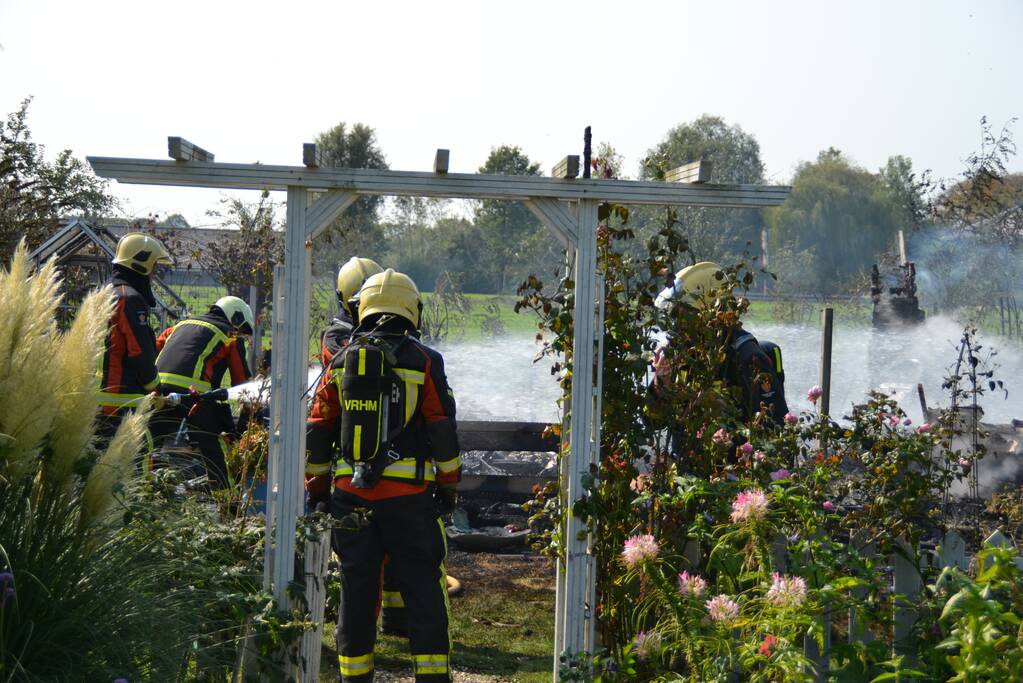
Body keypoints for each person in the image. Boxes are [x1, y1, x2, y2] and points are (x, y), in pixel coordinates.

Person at [306, 269, 460, 683]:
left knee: (357, 594)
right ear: (411, 308)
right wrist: (448, 487)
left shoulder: (340, 360)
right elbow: (441, 428)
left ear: (364, 308)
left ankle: (353, 678)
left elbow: (318, 428)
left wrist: (318, 490)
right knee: (425, 590)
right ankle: (431, 677)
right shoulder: (426, 360)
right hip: (409, 500)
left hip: (349, 498)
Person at [308, 256, 410, 635]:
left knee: (399, 551)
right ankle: (366, 628)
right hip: (353, 451)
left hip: (396, 445)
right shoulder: (337, 336)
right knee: (365, 558)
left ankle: (397, 621)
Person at [653, 261, 788, 428]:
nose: (676, 327)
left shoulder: (747, 358)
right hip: (682, 454)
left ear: (709, 314)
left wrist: (717, 413)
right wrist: (659, 387)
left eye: (682, 317)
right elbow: (653, 425)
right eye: (673, 317)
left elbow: (774, 431)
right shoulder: (680, 356)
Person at [150, 295, 254, 488]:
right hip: (195, 398)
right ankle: (224, 494)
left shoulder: (179, 326)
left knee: (148, 443)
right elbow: (241, 383)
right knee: (213, 448)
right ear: (236, 318)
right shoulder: (230, 336)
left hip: (159, 393)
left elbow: (151, 349)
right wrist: (246, 419)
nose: (239, 334)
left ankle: (144, 487)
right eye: (241, 329)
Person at [96, 233, 173, 444]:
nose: (154, 275)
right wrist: (157, 391)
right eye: (154, 268)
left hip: (92, 400)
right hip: (120, 402)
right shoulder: (128, 299)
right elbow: (140, 352)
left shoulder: (103, 292)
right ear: (141, 265)